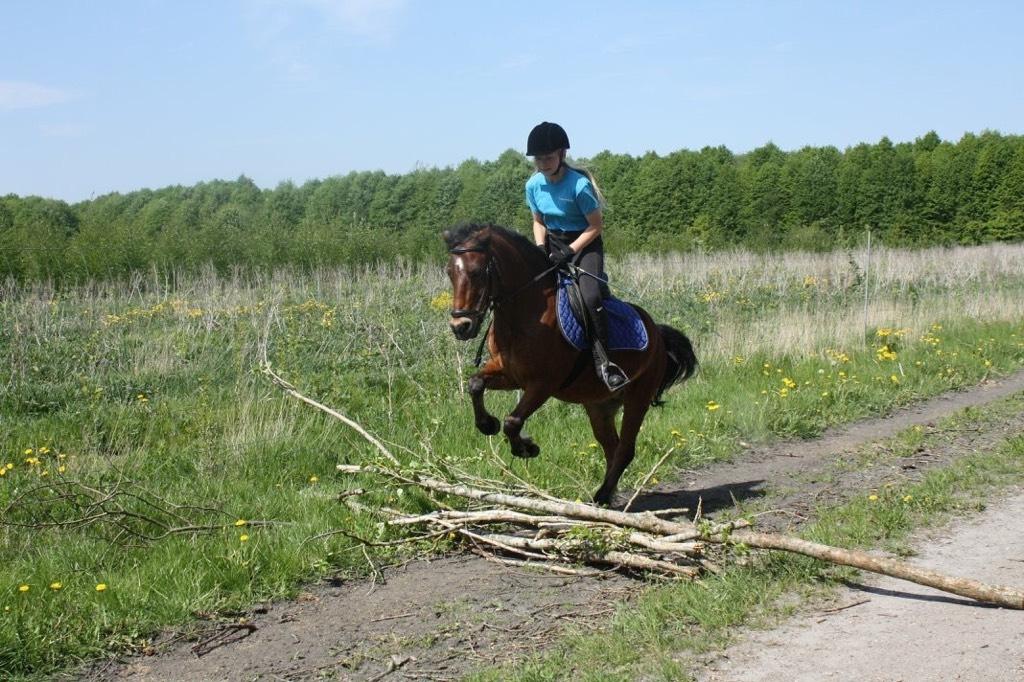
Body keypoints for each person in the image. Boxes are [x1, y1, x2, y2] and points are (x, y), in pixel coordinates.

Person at [524, 121, 629, 391]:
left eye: (548, 157)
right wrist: (540, 248)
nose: (543, 163)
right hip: (553, 242)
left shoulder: (579, 186)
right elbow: (538, 221)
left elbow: (595, 226)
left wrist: (570, 251)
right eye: (539, 159)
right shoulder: (534, 185)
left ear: (561, 155)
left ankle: (606, 363)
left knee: (590, 295)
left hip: (584, 243)